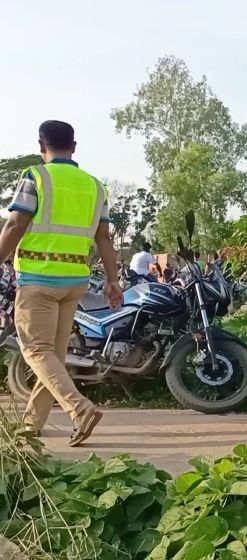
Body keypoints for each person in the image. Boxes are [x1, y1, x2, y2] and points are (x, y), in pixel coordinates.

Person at [2, 120, 123, 446]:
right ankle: (30, 428)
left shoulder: (36, 176)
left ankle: (79, 408)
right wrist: (113, 281)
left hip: (39, 280)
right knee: (51, 356)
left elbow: (15, 224)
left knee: (36, 351)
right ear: (74, 146)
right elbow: (104, 238)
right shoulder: (95, 186)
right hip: (75, 283)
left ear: (41, 146)